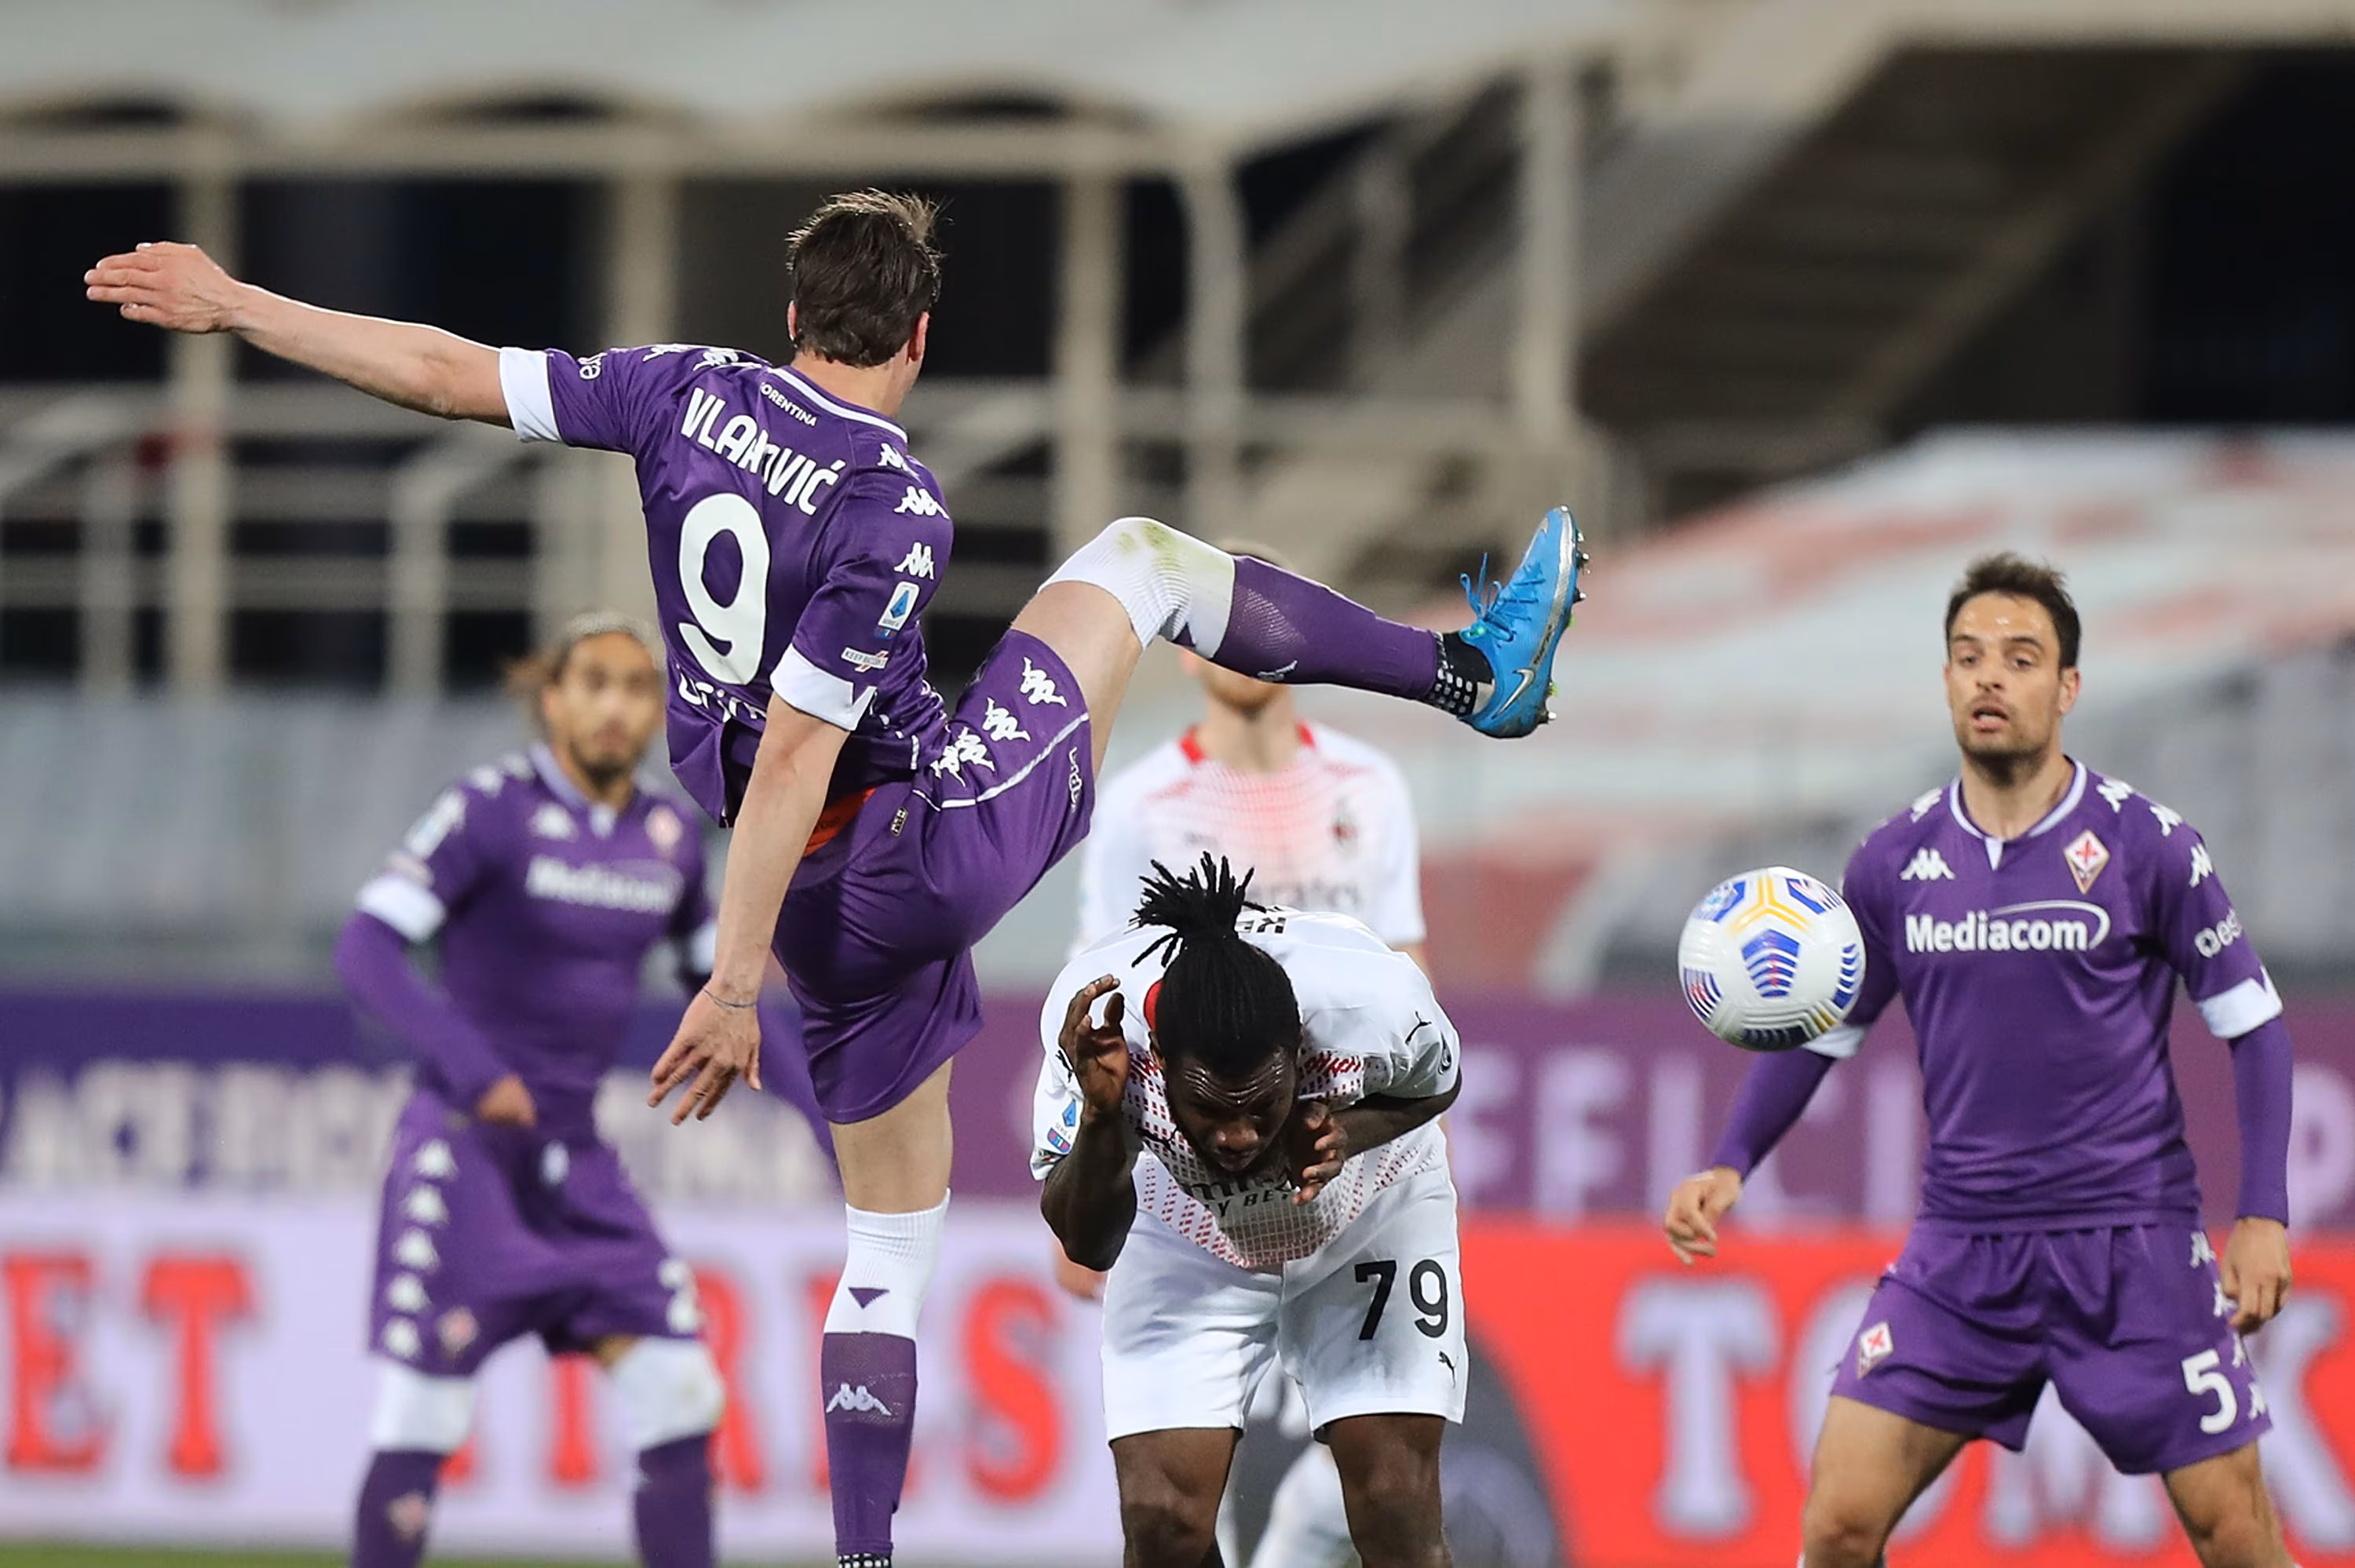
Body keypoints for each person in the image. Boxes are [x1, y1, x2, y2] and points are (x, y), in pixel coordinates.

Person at [88, 191, 1583, 1568]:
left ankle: (862, 1551)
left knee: (888, 1241)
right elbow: (804, 748)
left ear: (790, 315)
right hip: (907, 847)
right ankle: (1475, 675)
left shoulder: (680, 388)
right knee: (1142, 564)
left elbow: (446, 370)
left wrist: (241, 302)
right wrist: (732, 985)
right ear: (919, 338)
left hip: (804, 893)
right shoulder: (893, 506)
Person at [1661, 553, 2297, 1568]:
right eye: (1969, 657)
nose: (1990, 676)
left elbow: (2254, 1027)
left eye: (2020, 657)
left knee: (2237, 1535)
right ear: (1948, 680)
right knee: (1837, 1524)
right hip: (1962, 1253)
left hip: (2131, 1248)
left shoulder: (2149, 847)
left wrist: (2262, 1213)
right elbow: (1826, 1030)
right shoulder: (1893, 861)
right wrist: (1731, 1159)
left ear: (2068, 687)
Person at [334, 614, 783, 1568]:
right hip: (468, 1149)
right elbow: (367, 946)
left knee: (683, 1395)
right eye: (594, 684)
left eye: (637, 687)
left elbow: (724, 991)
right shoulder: (490, 809)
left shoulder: (669, 835)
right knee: (423, 1410)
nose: (616, 707)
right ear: (552, 701)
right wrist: (473, 1066)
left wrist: (828, 1104)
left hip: (578, 1163)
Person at [1068, 546, 1428, 1567]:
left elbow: (1411, 985)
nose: (1251, 643)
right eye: (1230, 621)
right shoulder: (1141, 802)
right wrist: (1085, 1157)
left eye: (1274, 619)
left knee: (1377, 1477)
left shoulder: (1371, 786)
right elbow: (1101, 988)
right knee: (1181, 1498)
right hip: (1194, 1179)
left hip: (1345, 1165)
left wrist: (1409, 1146)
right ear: (1187, 648)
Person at [1037, 856, 1466, 1568]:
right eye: (1209, 1110)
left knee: (1395, 1504)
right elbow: (1089, 1242)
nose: (1237, 1137)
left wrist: (1348, 1134)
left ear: (1299, 1050)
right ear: (1160, 1059)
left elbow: (1439, 1084)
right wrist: (1102, 1119)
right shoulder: (1099, 1029)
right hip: (1187, 1228)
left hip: (1372, 1214)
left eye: (1261, 1107)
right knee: (1163, 1527)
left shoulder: (1375, 1001)